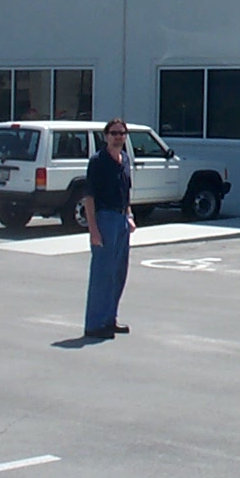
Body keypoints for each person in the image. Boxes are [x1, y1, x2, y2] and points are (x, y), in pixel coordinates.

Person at [82, 117, 136, 339]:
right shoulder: (98, 161)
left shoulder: (125, 159)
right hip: (105, 219)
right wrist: (93, 230)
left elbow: (126, 191)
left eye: (122, 133)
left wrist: (129, 216)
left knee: (118, 273)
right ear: (106, 136)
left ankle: (109, 319)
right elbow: (89, 197)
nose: (118, 137)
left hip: (122, 219)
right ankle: (94, 325)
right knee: (102, 274)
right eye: (114, 133)